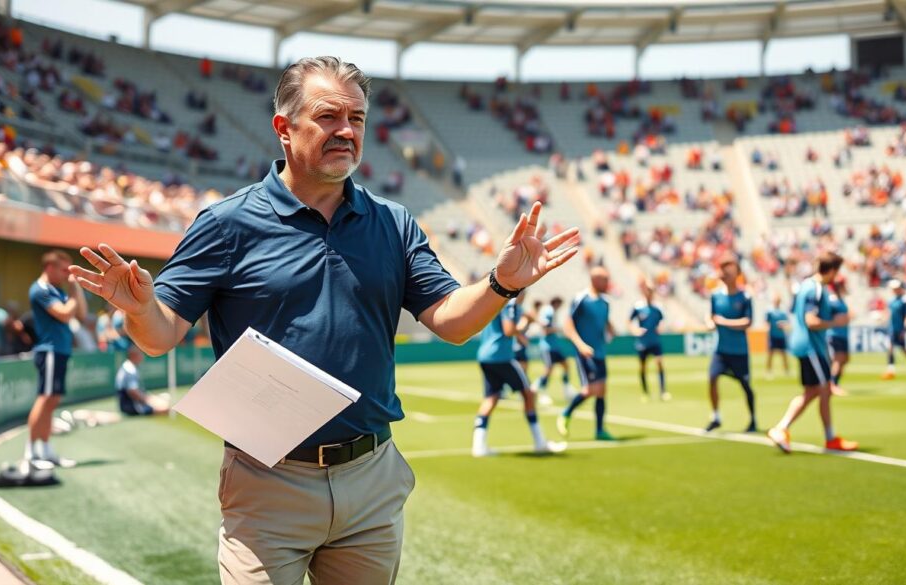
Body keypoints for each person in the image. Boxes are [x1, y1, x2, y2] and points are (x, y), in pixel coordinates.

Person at [70, 56, 579, 585]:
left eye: (356, 118)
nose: (346, 131)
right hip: (268, 481)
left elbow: (450, 322)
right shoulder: (226, 224)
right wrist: (137, 311)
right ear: (284, 129)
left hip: (371, 478)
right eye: (328, 117)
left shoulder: (392, 222)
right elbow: (160, 336)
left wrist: (503, 284)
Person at [767, 252, 857, 453]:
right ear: (832, 271)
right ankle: (829, 437)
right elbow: (811, 321)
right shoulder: (815, 289)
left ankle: (782, 428)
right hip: (811, 347)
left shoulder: (808, 286)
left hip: (806, 345)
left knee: (813, 391)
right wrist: (836, 322)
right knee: (824, 389)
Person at [27, 249, 87, 467]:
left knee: (52, 400)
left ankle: (45, 448)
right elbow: (64, 313)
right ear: (49, 267)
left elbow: (80, 313)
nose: (66, 275)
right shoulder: (40, 290)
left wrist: (75, 288)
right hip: (49, 350)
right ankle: (32, 451)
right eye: (63, 270)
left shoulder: (57, 290)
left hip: (60, 350)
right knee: (45, 398)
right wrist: (72, 291)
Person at [472, 297, 549, 457]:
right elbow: (508, 330)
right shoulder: (509, 303)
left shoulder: (491, 302)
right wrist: (521, 333)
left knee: (490, 398)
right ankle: (540, 442)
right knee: (528, 394)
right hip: (501, 357)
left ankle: (478, 445)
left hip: (485, 356)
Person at [557, 267, 615, 441]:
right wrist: (580, 344)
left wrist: (611, 330)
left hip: (600, 352)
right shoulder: (581, 299)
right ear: (595, 280)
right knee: (591, 389)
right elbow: (567, 325)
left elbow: (605, 322)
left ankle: (599, 430)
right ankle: (566, 413)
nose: (608, 283)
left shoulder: (605, 302)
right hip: (585, 353)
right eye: (605, 279)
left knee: (601, 390)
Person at [704, 253, 757, 433]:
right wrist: (710, 323)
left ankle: (753, 419)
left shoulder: (745, 297)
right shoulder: (715, 296)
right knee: (712, 378)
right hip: (722, 350)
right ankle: (716, 417)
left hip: (740, 351)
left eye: (730, 270)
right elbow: (711, 318)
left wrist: (722, 322)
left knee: (746, 385)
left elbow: (748, 322)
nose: (726, 274)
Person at [629, 281, 669, 401]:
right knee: (642, 367)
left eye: (651, 291)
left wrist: (661, 326)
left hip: (655, 340)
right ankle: (645, 392)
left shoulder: (658, 307)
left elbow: (662, 320)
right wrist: (635, 330)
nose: (649, 293)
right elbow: (629, 321)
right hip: (642, 342)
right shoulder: (638, 306)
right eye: (647, 290)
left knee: (659, 363)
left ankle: (663, 392)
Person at [531, 296, 573, 404]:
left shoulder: (551, 311)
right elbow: (545, 330)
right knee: (548, 370)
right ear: (556, 303)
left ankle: (567, 388)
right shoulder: (548, 312)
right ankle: (541, 392)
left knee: (566, 365)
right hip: (547, 346)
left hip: (554, 346)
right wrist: (559, 329)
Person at [881, 279, 906, 380]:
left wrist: (905, 329)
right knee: (890, 348)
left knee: (905, 350)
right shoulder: (892, 301)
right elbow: (889, 314)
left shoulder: (904, 301)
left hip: (900, 329)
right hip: (892, 328)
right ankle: (891, 371)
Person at [116, 345, 170, 416]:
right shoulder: (130, 370)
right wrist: (148, 401)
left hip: (128, 404)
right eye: (141, 354)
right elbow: (133, 392)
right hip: (131, 406)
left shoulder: (127, 366)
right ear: (134, 356)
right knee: (164, 409)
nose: (142, 357)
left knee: (162, 400)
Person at [827, 276, 851, 396]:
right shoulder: (832, 300)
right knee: (838, 359)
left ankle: (833, 382)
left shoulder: (839, 299)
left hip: (842, 333)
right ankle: (833, 384)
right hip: (835, 333)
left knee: (844, 359)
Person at [764, 293, 789, 379]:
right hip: (772, 336)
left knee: (784, 354)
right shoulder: (769, 311)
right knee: (770, 355)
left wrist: (783, 325)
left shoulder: (783, 311)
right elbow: (766, 322)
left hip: (781, 336)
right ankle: (768, 371)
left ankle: (786, 370)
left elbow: (787, 323)